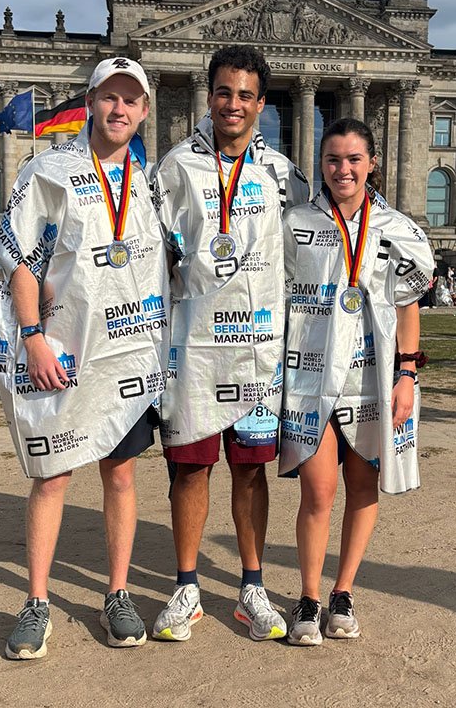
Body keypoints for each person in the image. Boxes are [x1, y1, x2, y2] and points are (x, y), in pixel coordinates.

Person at [0, 57, 170, 660]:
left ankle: (116, 593)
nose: (120, 110)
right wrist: (33, 338)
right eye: (109, 98)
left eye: (131, 101)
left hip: (125, 355)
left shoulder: (149, 182)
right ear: (91, 102)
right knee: (52, 477)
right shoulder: (53, 170)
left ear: (144, 110)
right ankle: (36, 601)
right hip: (61, 352)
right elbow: (19, 260)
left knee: (120, 475)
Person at [151, 45, 309, 642]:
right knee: (189, 473)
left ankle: (252, 588)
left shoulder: (281, 173)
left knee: (250, 474)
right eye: (224, 92)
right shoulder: (176, 167)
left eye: (245, 94)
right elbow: (148, 252)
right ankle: (187, 587)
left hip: (259, 351)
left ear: (262, 104)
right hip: (192, 351)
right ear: (208, 95)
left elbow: (307, 254)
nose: (233, 104)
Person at [280, 118, 433, 646]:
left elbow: (408, 307)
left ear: (372, 164)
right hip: (310, 377)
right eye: (332, 160)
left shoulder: (397, 229)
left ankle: (343, 591)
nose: (342, 169)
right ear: (320, 164)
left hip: (374, 379)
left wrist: (407, 376)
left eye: (352, 160)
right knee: (318, 491)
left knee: (363, 487)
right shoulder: (295, 222)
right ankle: (308, 596)